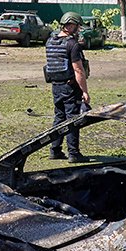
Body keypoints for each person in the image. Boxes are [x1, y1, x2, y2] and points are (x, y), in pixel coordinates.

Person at [43, 11, 90, 162]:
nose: (78, 29)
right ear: (69, 26)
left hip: (56, 86)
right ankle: (74, 154)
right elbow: (78, 70)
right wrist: (85, 91)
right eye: (77, 26)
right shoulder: (72, 44)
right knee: (72, 119)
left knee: (59, 117)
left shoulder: (50, 42)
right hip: (70, 87)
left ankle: (55, 150)